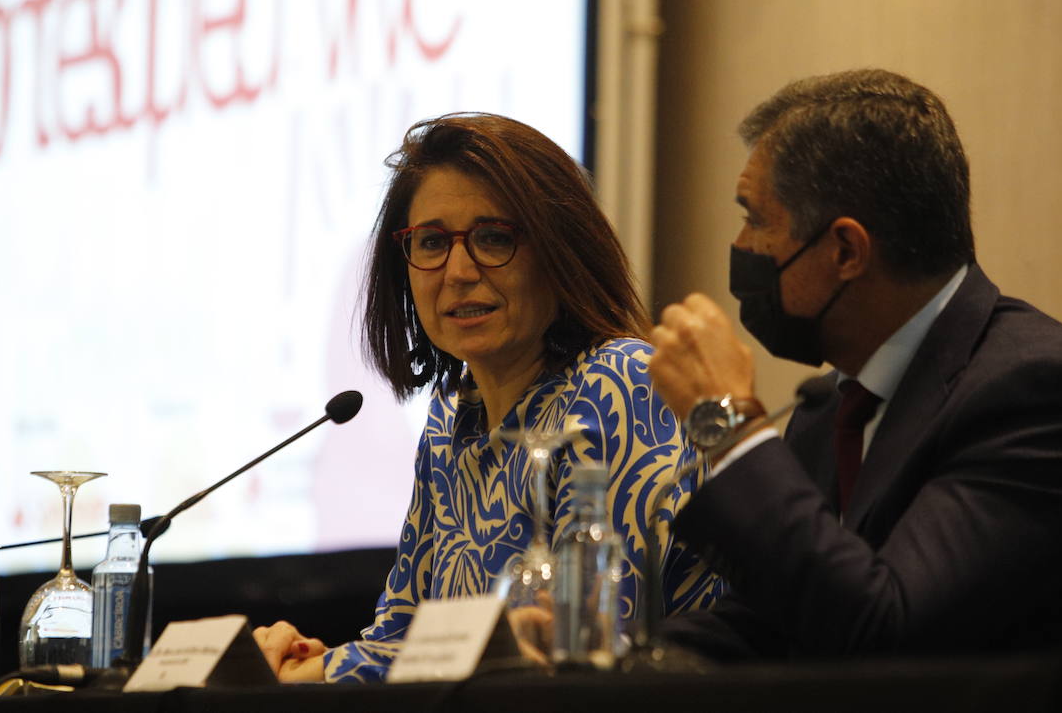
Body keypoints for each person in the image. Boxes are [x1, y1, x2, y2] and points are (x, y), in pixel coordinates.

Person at [648, 69, 1062, 660]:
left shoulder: (1037, 395)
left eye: (756, 218)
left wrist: (728, 427)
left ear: (845, 250)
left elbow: (887, 632)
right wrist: (594, 657)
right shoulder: (832, 404)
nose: (741, 245)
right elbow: (772, 625)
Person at [255, 113, 722, 682]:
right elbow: (400, 639)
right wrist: (305, 662)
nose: (457, 271)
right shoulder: (451, 417)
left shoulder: (620, 383)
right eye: (431, 242)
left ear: (559, 251)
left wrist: (324, 676)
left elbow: (585, 642)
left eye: (493, 238)